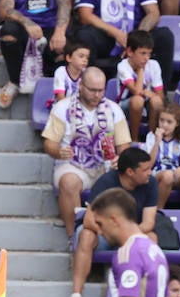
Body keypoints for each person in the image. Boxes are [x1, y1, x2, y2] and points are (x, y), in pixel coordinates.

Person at [42, 65, 131, 236]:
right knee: (68, 182)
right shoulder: (63, 107)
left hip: (105, 166)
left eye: (101, 90)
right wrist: (59, 152)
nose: (97, 95)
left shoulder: (114, 109)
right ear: (81, 85)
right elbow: (49, 143)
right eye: (92, 90)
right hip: (72, 165)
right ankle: (73, 236)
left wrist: (121, 158)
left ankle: (113, 238)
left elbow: (124, 144)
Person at [68, 146, 157, 297]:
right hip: (104, 234)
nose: (149, 173)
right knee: (86, 236)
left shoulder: (151, 183)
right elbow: (89, 219)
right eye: (145, 169)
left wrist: (125, 235)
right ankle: (76, 296)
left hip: (131, 235)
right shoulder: (106, 182)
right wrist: (112, 233)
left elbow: (148, 223)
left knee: (151, 238)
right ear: (130, 172)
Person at [144, 101, 180, 211]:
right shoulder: (151, 136)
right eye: (162, 120)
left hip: (175, 173)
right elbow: (148, 164)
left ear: (177, 124)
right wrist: (157, 141)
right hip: (156, 174)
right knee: (168, 176)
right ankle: (158, 209)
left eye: (169, 122)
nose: (164, 125)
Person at [114, 29, 163, 139]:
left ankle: (151, 138)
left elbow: (160, 96)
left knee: (156, 101)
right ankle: (134, 138)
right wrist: (141, 70)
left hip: (146, 103)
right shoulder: (123, 66)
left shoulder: (154, 65)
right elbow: (136, 92)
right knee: (138, 100)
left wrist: (153, 95)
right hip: (124, 106)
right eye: (143, 53)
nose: (147, 58)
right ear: (130, 52)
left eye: (149, 53)